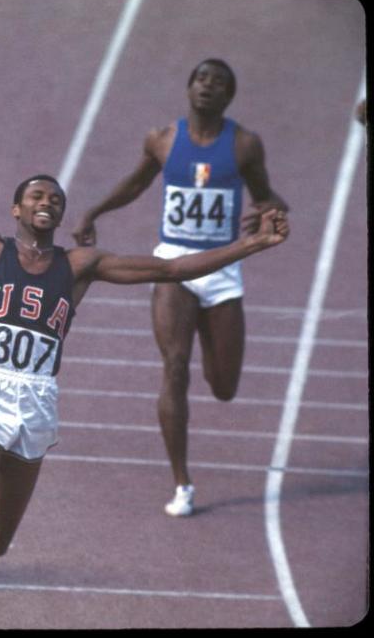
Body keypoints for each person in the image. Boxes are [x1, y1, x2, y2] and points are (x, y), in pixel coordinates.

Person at [0, 95, 288, 630]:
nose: (48, 201)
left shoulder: (80, 266)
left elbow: (174, 270)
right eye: (36, 194)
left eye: (56, 198)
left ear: (60, 215)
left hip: (38, 401)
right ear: (16, 210)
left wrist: (251, 245)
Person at [72, 58, 289, 518]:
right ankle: (182, 482)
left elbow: (268, 196)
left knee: (224, 386)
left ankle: (210, 377)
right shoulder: (163, 140)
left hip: (222, 268)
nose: (209, 87)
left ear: (230, 96)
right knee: (174, 367)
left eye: (220, 83)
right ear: (188, 87)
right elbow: (135, 183)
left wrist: (269, 210)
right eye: (202, 79)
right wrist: (94, 211)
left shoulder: (245, 145)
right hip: (172, 264)